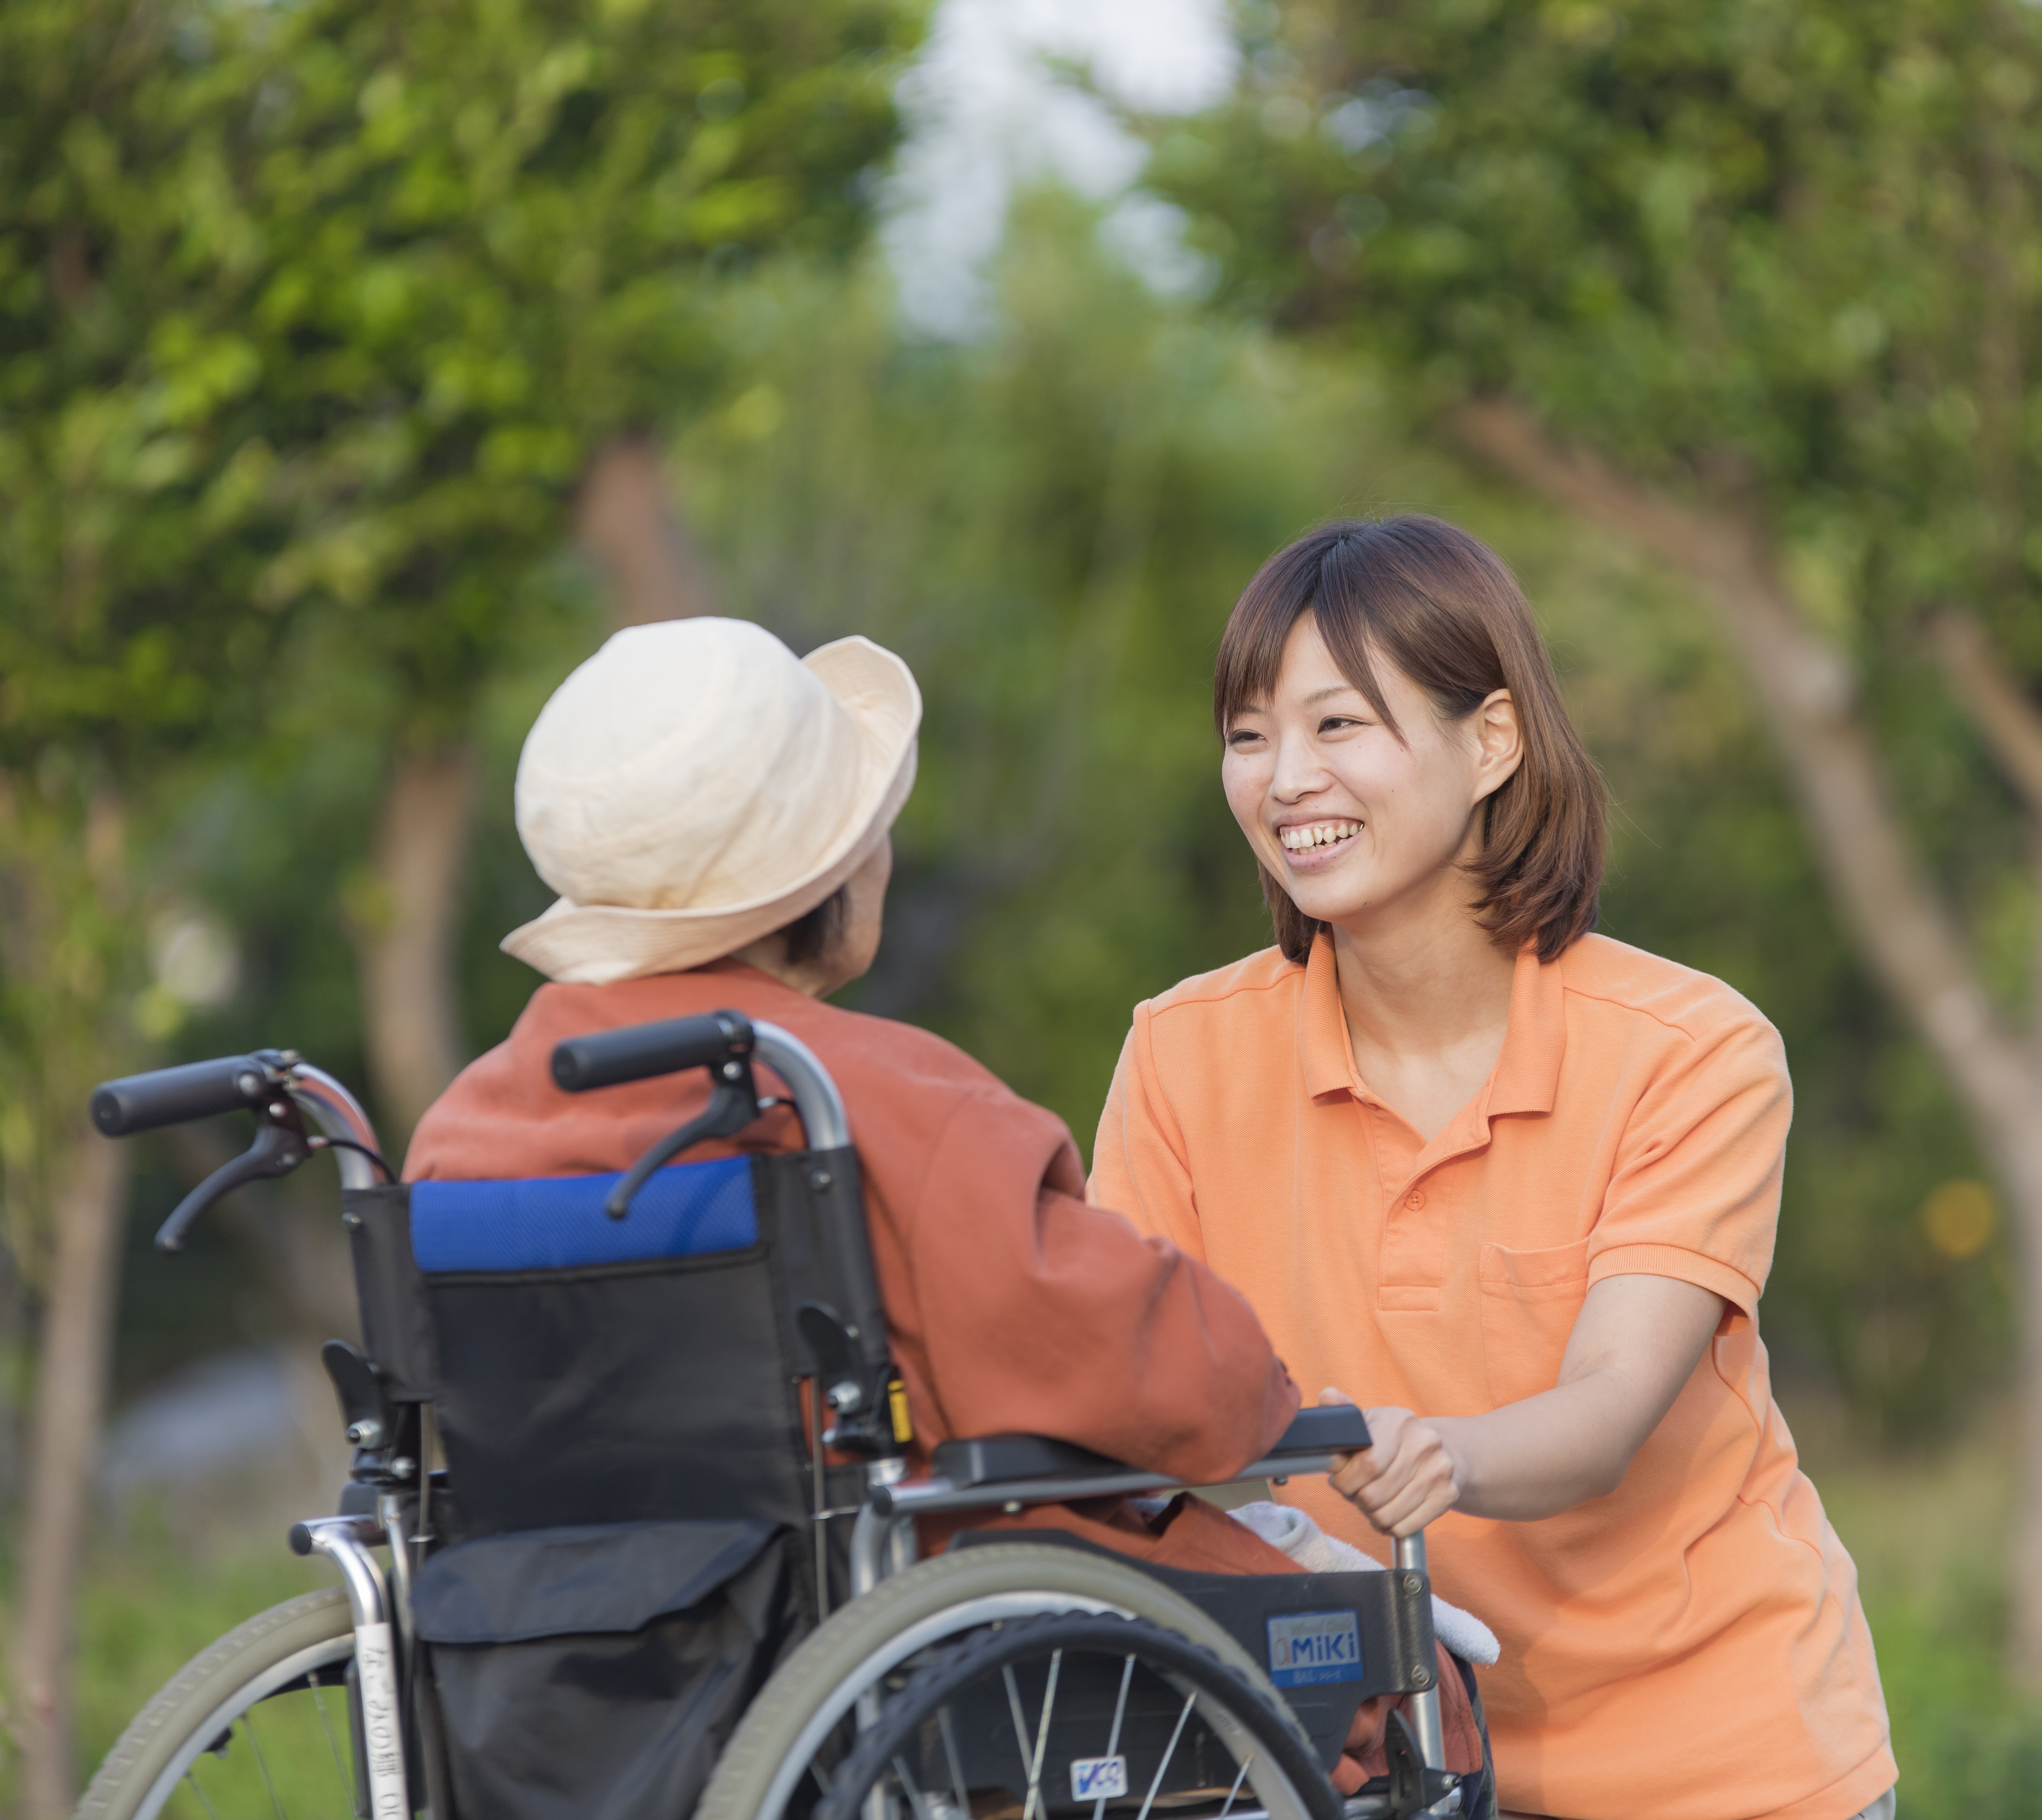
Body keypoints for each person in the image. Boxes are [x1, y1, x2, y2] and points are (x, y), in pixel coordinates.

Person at [403, 615, 1484, 1785]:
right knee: (1413, 1677)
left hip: (574, 1671)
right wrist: (1277, 1406)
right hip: (909, 1629)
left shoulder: (466, 1129)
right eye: (869, 831)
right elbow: (1139, 1355)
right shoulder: (859, 1096)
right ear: (826, 877)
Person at [1089, 518, 1895, 1820]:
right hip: (1361, 1760)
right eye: (1249, 736)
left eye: (1339, 726)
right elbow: (1125, 1395)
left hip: (1719, 1763)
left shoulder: (1692, 1052)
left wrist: (1439, 1457)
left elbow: (1607, 1411)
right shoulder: (1181, 1056)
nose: (1285, 778)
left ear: (1493, 743)